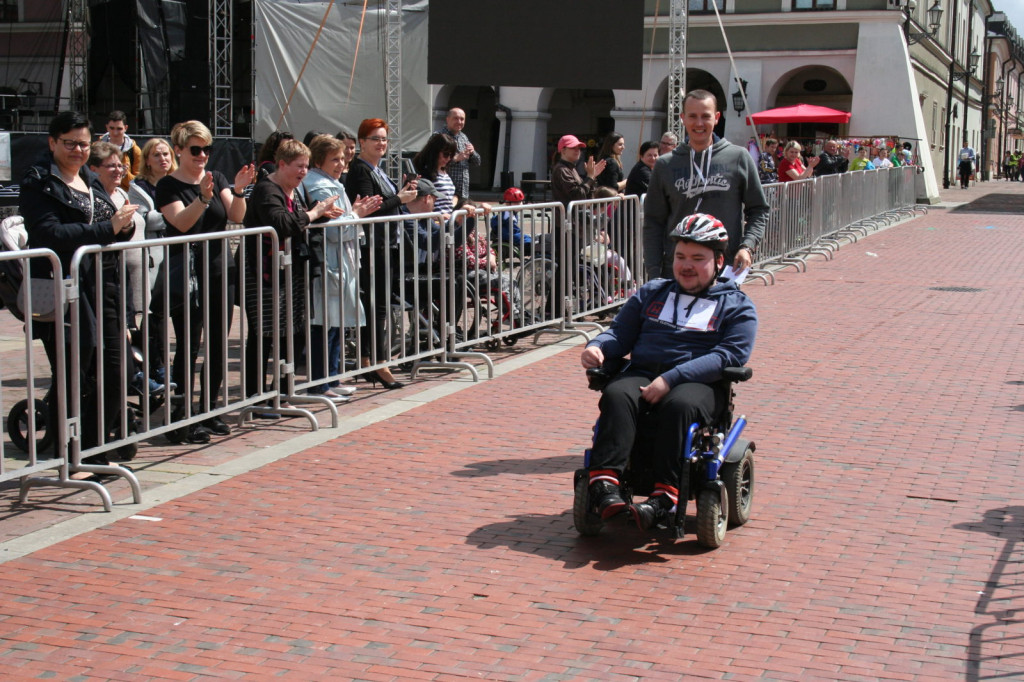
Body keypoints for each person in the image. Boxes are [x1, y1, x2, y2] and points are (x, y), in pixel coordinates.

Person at [581, 213, 757, 529]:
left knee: (680, 405)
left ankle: (666, 497)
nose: (686, 265)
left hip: (700, 383)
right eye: (680, 257)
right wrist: (598, 346)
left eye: (697, 258)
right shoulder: (653, 292)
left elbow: (728, 355)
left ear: (719, 261)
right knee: (617, 394)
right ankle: (604, 484)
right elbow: (620, 333)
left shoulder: (737, 305)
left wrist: (671, 379)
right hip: (645, 370)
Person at [21, 111, 140, 468]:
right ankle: (70, 454)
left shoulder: (89, 178)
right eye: (70, 143)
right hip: (64, 292)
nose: (77, 150)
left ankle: (94, 446)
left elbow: (112, 223)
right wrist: (108, 230)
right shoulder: (39, 181)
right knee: (76, 374)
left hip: (102, 288)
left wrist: (123, 226)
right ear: (53, 142)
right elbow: (48, 234)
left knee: (117, 370)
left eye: (84, 144)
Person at [157, 120, 256, 443]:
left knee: (216, 342)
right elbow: (181, 223)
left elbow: (237, 216)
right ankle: (180, 416)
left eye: (207, 150)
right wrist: (201, 198)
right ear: (179, 151)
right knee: (189, 344)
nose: (202, 156)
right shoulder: (169, 185)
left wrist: (239, 190)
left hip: (218, 269)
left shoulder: (217, 178)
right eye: (195, 150)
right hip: (187, 272)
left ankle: (209, 410)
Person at [242, 138, 343, 401]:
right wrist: (314, 213)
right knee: (263, 336)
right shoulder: (267, 189)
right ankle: (255, 393)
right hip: (264, 273)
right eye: (299, 166)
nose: (303, 172)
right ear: (282, 164)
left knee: (295, 331)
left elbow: (300, 218)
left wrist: (321, 214)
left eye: (307, 167)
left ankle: (283, 388)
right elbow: (282, 223)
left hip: (292, 273)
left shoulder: (296, 191)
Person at [643, 89, 768, 280]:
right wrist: (653, 272)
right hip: (677, 270)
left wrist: (747, 247)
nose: (699, 123)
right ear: (683, 118)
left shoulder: (738, 157)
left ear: (717, 117)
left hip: (725, 269)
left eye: (705, 116)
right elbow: (653, 222)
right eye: (692, 116)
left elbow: (759, 209)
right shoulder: (665, 164)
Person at [302, 134, 381, 400]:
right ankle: (320, 382)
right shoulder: (319, 186)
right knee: (324, 323)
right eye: (334, 159)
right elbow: (336, 231)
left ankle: (332, 377)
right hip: (329, 261)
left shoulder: (331, 182)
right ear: (319, 160)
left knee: (336, 323)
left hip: (342, 260)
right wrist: (356, 215)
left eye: (341, 158)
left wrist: (353, 214)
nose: (340, 163)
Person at [345, 117, 419, 389]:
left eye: (384, 139)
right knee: (375, 305)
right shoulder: (360, 171)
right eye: (375, 139)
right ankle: (374, 361)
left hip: (387, 245)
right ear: (361, 142)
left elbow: (387, 202)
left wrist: (403, 195)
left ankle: (374, 360)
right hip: (371, 247)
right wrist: (399, 199)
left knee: (381, 305)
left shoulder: (379, 170)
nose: (381, 144)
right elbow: (370, 206)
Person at [128, 138, 177, 386]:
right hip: (150, 260)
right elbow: (144, 220)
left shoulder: (177, 183)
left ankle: (171, 366)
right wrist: (175, 213)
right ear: (147, 159)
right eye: (156, 155)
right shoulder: (138, 188)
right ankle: (156, 365)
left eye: (166, 154)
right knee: (153, 315)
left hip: (176, 257)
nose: (163, 159)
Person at [551, 134, 605, 208]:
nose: (577, 150)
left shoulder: (570, 168)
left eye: (579, 148)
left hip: (574, 216)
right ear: (563, 151)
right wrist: (590, 177)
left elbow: (587, 196)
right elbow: (577, 196)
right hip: (566, 217)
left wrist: (592, 177)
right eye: (573, 147)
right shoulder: (562, 170)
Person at [413, 132, 459, 216]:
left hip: (447, 221)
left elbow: (453, 195)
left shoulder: (445, 173)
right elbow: (420, 205)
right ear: (435, 152)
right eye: (445, 154)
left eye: (451, 155)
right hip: (434, 223)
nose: (448, 158)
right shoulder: (425, 174)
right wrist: (437, 217)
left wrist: (454, 201)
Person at [438, 107, 479, 200]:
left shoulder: (463, 137)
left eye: (462, 119)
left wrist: (472, 153)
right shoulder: (439, 137)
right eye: (456, 118)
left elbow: (477, 162)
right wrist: (455, 159)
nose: (459, 122)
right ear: (447, 119)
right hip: (445, 191)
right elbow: (432, 162)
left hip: (463, 192)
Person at [100, 110, 142, 190]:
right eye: (112, 128)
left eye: (119, 129)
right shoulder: (97, 148)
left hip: (125, 196)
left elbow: (139, 183)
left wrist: (125, 174)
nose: (115, 132)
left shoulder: (134, 150)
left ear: (125, 128)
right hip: (102, 193)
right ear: (107, 127)